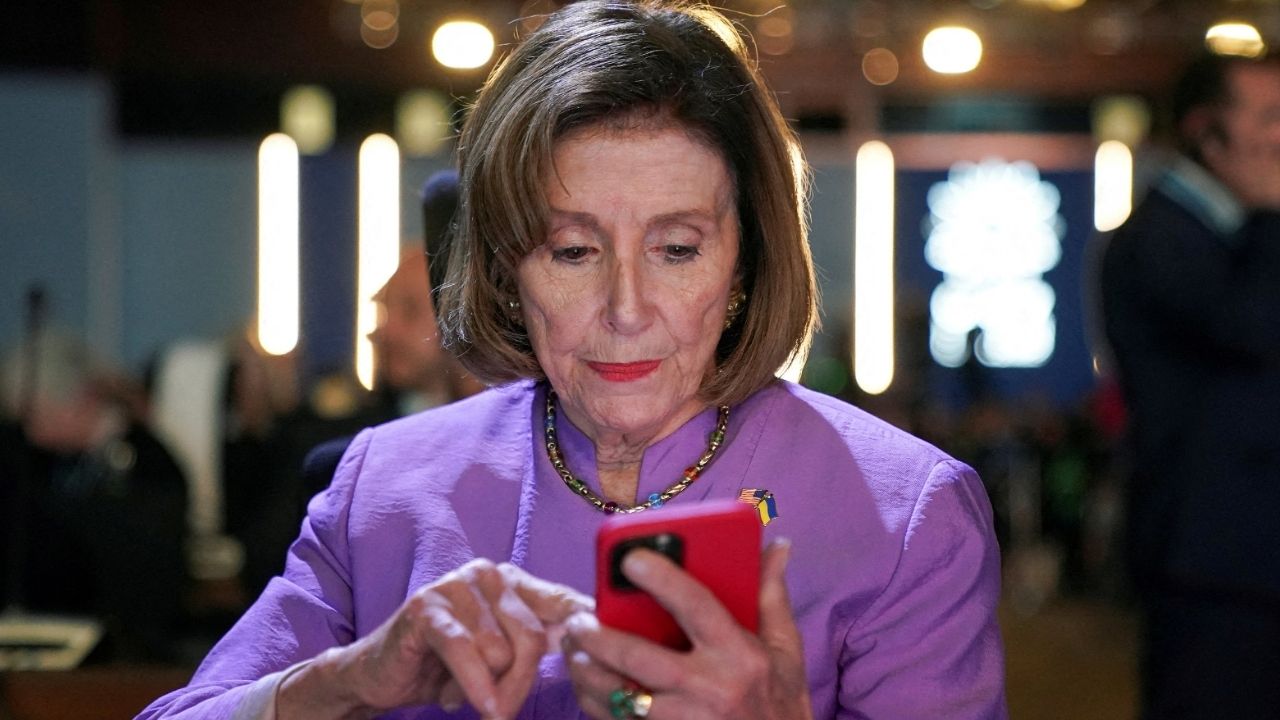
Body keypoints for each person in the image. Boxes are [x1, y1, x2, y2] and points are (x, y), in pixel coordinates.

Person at [138, 2, 1005, 718]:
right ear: (508, 268)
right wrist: (346, 680)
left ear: (746, 263)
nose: (626, 313)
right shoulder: (388, 485)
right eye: (572, 251)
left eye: (676, 249)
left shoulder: (906, 517)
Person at [1099, 52, 1280, 719]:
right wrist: (1271, 213)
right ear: (1206, 132)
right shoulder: (1158, 239)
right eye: (1268, 116)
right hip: (1213, 566)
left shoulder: (1230, 236)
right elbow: (1254, 328)